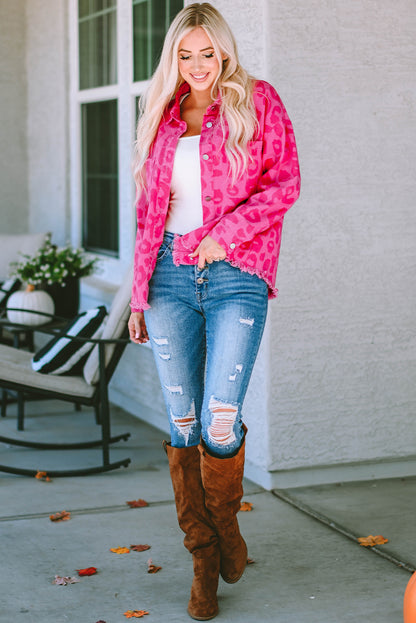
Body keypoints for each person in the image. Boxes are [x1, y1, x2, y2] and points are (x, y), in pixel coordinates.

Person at [128, 3, 300, 620]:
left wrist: (226, 234)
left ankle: (225, 528)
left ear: (223, 50)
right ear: (173, 58)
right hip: (170, 279)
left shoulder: (258, 102)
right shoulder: (161, 120)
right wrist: (139, 293)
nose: (197, 65)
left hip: (236, 274)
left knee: (219, 423)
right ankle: (205, 554)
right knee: (183, 424)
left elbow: (284, 182)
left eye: (207, 52)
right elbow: (149, 216)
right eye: (185, 54)